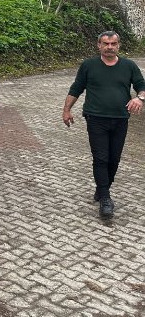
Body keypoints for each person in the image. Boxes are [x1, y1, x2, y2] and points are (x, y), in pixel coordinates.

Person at [62, 31, 145, 220]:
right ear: (98, 45)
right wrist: (66, 110)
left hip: (121, 119)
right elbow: (76, 88)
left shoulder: (129, 66)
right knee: (101, 158)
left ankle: (102, 188)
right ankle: (106, 199)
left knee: (114, 159)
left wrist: (140, 98)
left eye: (113, 43)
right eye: (105, 43)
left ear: (118, 46)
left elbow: (141, 85)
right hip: (96, 118)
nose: (109, 47)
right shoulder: (89, 65)